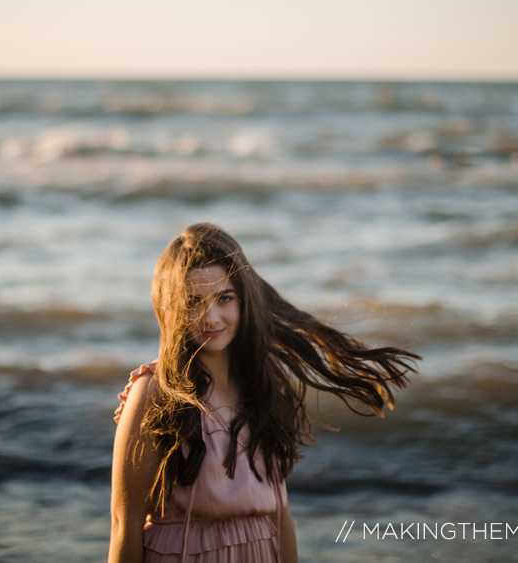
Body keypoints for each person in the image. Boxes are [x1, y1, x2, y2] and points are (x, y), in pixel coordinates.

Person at [109, 223, 419, 562]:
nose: (211, 318)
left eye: (224, 298)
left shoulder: (261, 383)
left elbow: (280, 513)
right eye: (194, 302)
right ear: (171, 308)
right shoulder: (154, 392)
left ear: (244, 300)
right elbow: (125, 525)